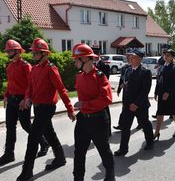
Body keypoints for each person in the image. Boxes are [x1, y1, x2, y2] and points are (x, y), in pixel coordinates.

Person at [16, 38, 76, 181]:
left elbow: (61, 89)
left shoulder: (51, 69)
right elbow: (30, 87)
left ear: (44, 54)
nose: (33, 55)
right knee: (49, 133)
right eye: (33, 53)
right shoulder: (35, 69)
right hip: (37, 107)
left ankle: (27, 171)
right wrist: (27, 99)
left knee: (33, 138)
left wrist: (69, 109)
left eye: (36, 53)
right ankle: (60, 157)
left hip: (47, 107)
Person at [0, 40, 49, 167]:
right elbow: (10, 84)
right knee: (10, 127)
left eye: (10, 50)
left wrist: (25, 99)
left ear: (17, 51)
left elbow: (30, 85)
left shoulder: (26, 65)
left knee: (26, 125)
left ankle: (43, 143)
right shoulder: (10, 66)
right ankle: (9, 154)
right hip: (11, 100)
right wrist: (6, 95)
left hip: (23, 100)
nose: (8, 52)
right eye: (7, 51)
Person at [72, 44, 115, 181]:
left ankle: (110, 175)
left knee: (104, 150)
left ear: (86, 58)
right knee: (79, 153)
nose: (74, 62)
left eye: (76, 59)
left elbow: (106, 99)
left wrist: (85, 104)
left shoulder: (100, 76)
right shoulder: (79, 76)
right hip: (83, 120)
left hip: (98, 120)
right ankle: (78, 178)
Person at [114, 48, 154, 156]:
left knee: (145, 123)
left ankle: (150, 141)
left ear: (139, 59)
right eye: (130, 57)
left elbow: (145, 90)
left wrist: (136, 104)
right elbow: (126, 85)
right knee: (125, 127)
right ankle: (123, 149)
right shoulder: (127, 70)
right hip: (128, 105)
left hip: (140, 105)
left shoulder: (145, 72)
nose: (130, 58)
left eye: (134, 57)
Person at [153, 48, 175, 139]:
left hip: (172, 94)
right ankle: (157, 132)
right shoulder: (161, 67)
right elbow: (159, 81)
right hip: (161, 93)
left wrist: (168, 92)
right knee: (160, 113)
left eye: (168, 55)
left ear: (172, 57)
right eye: (165, 55)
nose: (166, 56)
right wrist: (156, 92)